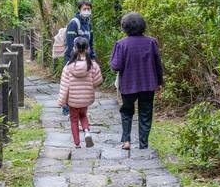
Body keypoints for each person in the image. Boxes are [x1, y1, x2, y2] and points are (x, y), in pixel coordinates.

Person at [109, 12, 163, 150]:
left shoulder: (121, 44)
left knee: (127, 111)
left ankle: (126, 141)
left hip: (127, 84)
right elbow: (158, 64)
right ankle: (143, 144)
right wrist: (159, 82)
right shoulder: (151, 42)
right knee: (145, 113)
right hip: (148, 84)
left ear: (125, 27)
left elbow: (116, 66)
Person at [57, 36, 103, 148]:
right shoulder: (92, 65)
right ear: (87, 49)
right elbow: (98, 81)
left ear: (74, 48)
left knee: (73, 120)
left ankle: (77, 144)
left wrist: (62, 101)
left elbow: (64, 86)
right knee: (83, 115)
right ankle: (86, 131)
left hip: (73, 100)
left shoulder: (68, 67)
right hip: (86, 99)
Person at [61, 0, 95, 116]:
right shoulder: (74, 23)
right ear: (79, 9)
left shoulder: (88, 23)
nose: (87, 11)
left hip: (85, 57)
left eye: (89, 9)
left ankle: (79, 107)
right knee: (69, 84)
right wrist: (74, 59)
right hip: (72, 58)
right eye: (84, 9)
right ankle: (66, 108)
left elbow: (91, 42)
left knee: (80, 85)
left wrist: (92, 57)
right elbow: (70, 44)